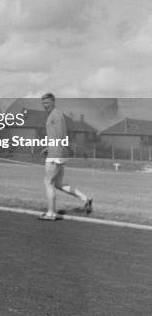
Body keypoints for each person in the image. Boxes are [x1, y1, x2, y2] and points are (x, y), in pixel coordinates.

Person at [39, 93, 92, 221]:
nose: (45, 105)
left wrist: (53, 149)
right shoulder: (54, 115)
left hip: (55, 153)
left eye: (47, 103)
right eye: (43, 103)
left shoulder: (56, 115)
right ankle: (86, 199)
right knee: (58, 183)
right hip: (57, 151)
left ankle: (51, 213)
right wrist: (48, 147)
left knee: (48, 182)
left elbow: (61, 135)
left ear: (53, 102)